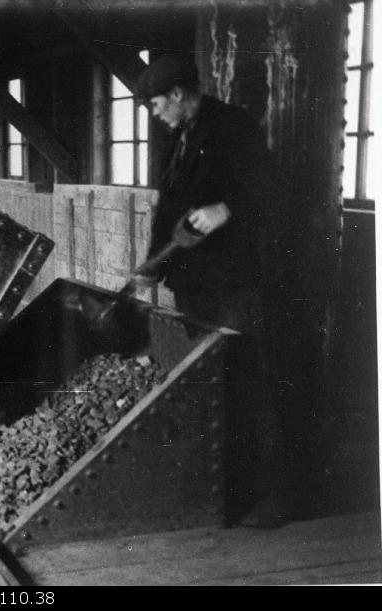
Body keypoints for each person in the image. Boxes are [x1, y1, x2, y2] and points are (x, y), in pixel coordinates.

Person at [133, 55, 288, 527]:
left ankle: (274, 497)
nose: (156, 114)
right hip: (194, 284)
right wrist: (152, 263)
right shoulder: (183, 137)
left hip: (233, 285)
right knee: (207, 388)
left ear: (179, 94)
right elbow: (171, 210)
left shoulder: (232, 127)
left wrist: (227, 209)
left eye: (159, 104)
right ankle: (223, 494)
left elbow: (269, 188)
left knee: (250, 382)